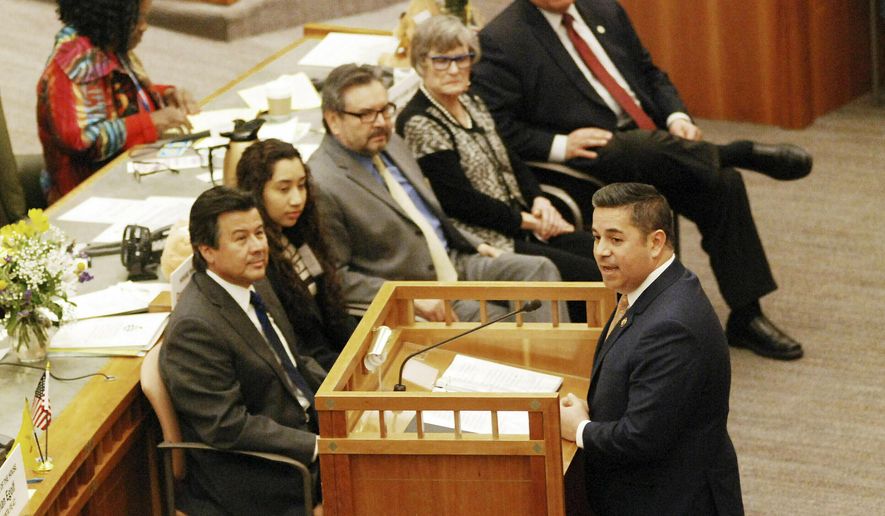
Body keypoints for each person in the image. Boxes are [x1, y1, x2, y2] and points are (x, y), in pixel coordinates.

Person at [472, 0, 808, 360]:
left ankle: (746, 316)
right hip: (589, 160)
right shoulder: (502, 39)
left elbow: (649, 73)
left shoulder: (603, 9)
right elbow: (496, 127)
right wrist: (561, 144)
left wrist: (676, 116)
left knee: (723, 183)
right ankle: (733, 151)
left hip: (655, 142)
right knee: (625, 147)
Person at [308, 63, 563, 322]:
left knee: (539, 269)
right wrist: (406, 297)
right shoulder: (321, 182)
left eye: (385, 110)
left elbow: (425, 216)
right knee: (512, 325)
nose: (381, 123)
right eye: (366, 115)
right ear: (333, 120)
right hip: (417, 290)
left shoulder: (391, 143)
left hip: (456, 260)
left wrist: (479, 244)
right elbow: (337, 277)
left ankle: (561, 359)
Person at [396, 15, 600, 322]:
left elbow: (511, 157)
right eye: (441, 60)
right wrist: (529, 222)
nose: (454, 68)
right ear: (421, 63)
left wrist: (539, 200)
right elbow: (460, 202)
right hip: (489, 239)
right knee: (591, 276)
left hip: (523, 220)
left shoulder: (472, 100)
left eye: (461, 57)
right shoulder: (419, 122)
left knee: (605, 255)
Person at [559, 182, 743, 515]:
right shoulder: (650, 291)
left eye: (616, 239)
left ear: (655, 242)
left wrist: (580, 429)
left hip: (671, 501)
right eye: (596, 238)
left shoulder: (672, 326)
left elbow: (641, 438)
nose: (601, 251)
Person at [160, 186, 324, 516]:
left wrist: (345, 397)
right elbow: (228, 426)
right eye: (241, 238)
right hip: (263, 473)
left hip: (306, 431)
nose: (258, 247)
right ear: (207, 250)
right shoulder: (195, 327)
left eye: (259, 233)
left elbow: (294, 362)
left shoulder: (254, 283)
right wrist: (316, 445)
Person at [37, 0, 198, 202]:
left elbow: (117, 100)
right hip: (87, 195)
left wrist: (164, 95)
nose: (143, 26)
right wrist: (152, 121)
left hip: (129, 169)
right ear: (111, 17)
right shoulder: (77, 65)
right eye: (137, 18)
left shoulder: (106, 44)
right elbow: (84, 141)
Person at [237, 138, 356, 371]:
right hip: (316, 374)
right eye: (283, 189)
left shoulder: (299, 232)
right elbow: (297, 349)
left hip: (337, 359)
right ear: (256, 192)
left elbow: (333, 310)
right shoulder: (257, 259)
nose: (297, 199)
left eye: (301, 186)